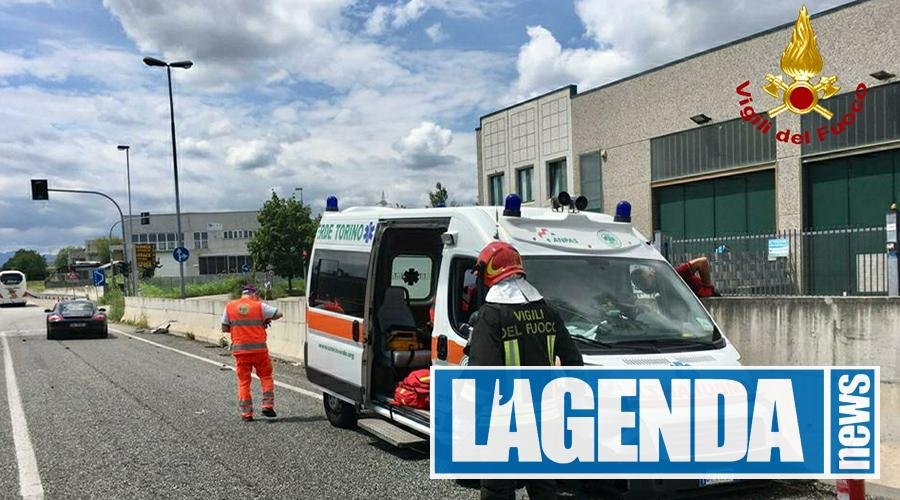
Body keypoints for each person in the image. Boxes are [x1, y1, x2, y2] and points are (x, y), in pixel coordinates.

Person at [467, 241, 583, 500]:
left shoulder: (491, 316)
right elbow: (574, 362)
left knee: (498, 487)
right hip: (544, 416)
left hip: (505, 418)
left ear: (489, 272)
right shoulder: (548, 311)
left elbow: (483, 376)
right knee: (543, 484)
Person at [221, 284, 283, 421]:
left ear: (243, 294)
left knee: (244, 381)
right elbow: (279, 314)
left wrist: (238, 328)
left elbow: (224, 327)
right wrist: (265, 319)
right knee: (266, 376)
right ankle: (267, 405)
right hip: (259, 350)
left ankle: (247, 414)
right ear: (254, 294)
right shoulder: (259, 305)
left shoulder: (230, 306)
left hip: (241, 351)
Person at [631, 256, 717, 298]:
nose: (642, 288)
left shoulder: (672, 276)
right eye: (638, 285)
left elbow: (702, 262)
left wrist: (706, 289)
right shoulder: (661, 291)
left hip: (710, 301)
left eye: (642, 282)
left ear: (650, 275)